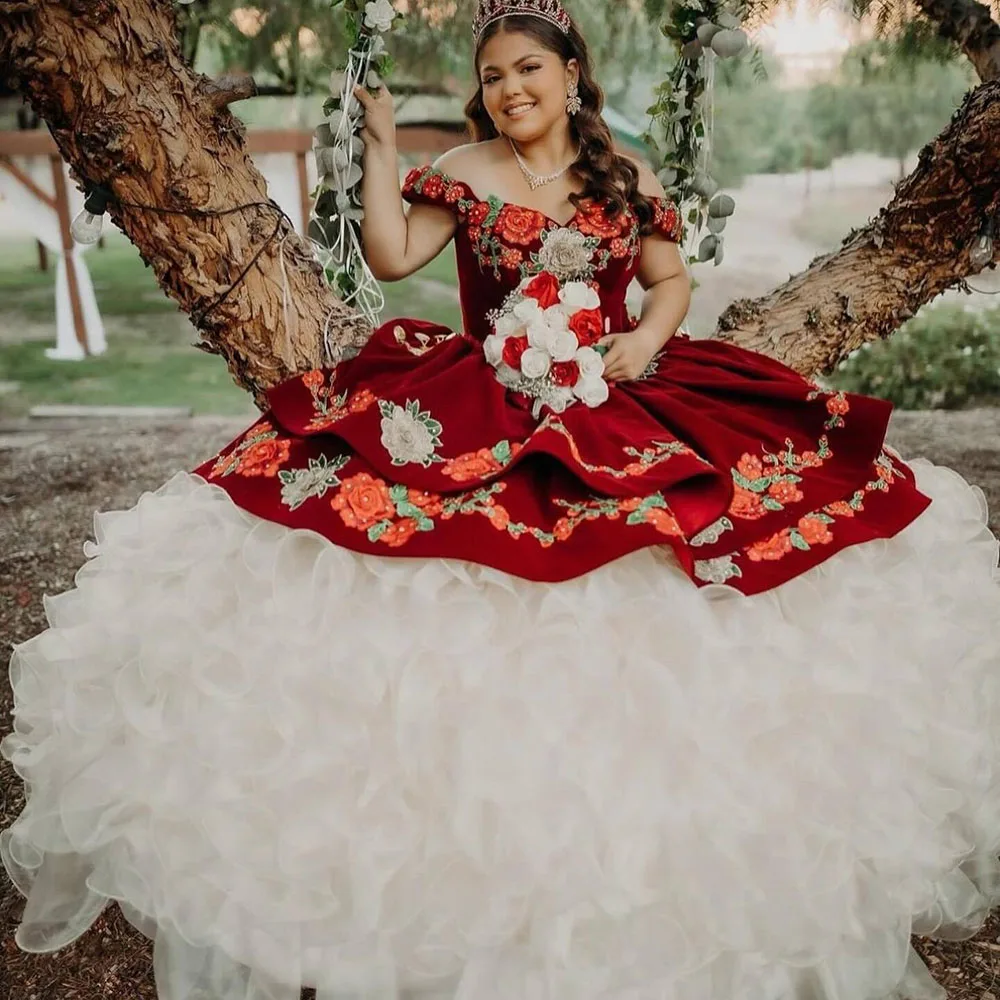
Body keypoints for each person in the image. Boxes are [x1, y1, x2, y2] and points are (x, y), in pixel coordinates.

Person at [3, 3, 1000, 999]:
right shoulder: (467, 174)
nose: (509, 88)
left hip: (613, 394)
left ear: (572, 73)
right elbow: (392, 258)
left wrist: (643, 340)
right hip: (485, 395)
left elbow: (666, 281)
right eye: (490, 75)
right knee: (424, 552)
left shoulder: (625, 176)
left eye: (527, 68)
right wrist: (385, 143)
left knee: (681, 547)